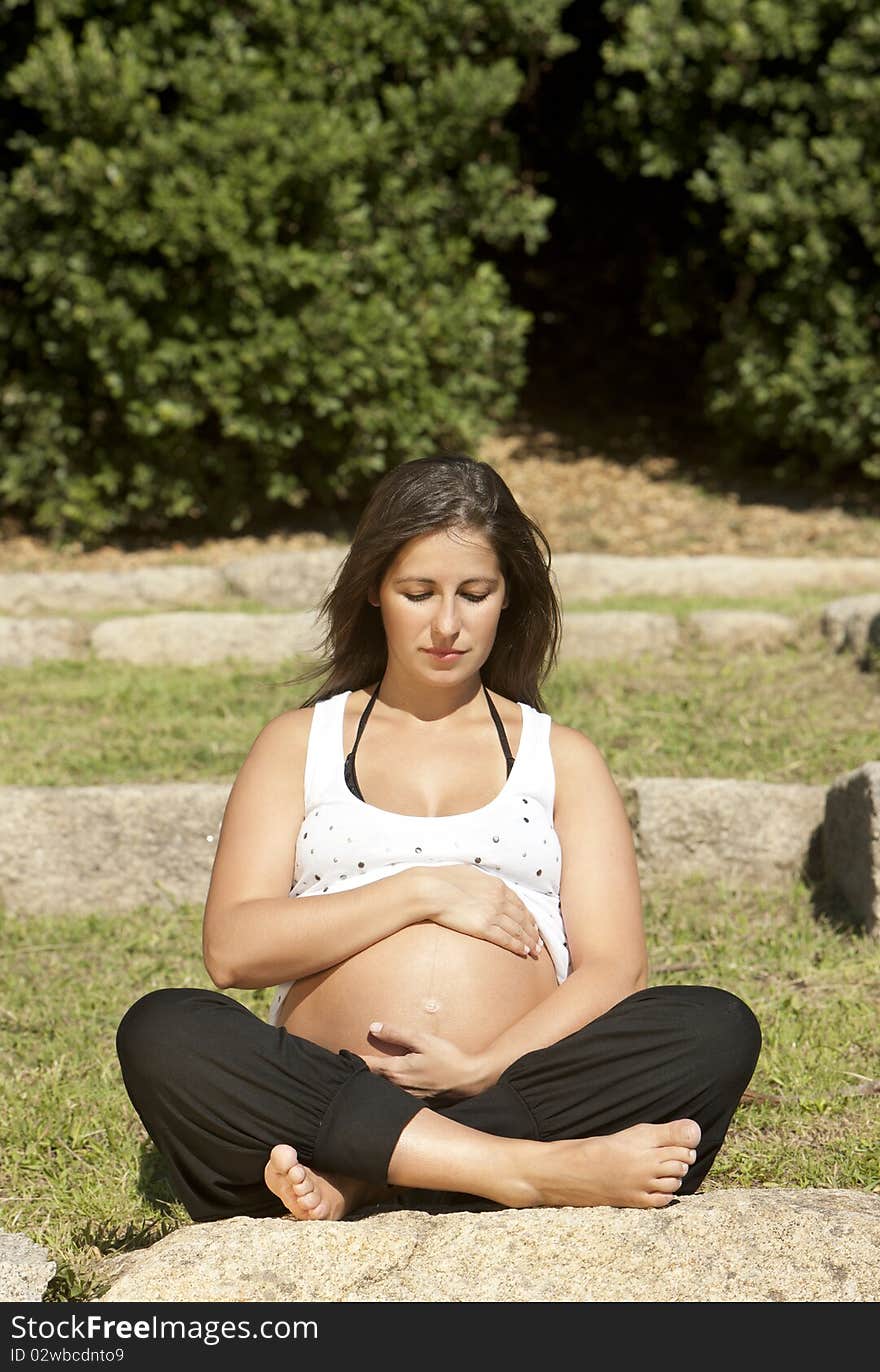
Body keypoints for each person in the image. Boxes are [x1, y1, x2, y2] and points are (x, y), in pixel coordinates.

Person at [116, 454, 761, 1224]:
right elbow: (233, 950)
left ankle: (371, 1174)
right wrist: (422, 890)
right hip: (326, 1092)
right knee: (164, 1029)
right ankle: (517, 1173)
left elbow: (615, 966)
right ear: (373, 592)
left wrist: (488, 1064)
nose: (447, 624)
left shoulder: (566, 759)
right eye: (417, 593)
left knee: (714, 1025)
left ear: (508, 597)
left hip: (511, 1087)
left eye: (474, 593)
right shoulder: (299, 744)